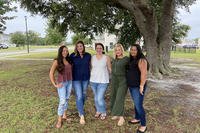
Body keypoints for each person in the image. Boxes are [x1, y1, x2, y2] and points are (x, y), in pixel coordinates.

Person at [126, 44, 149, 133]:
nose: (133, 51)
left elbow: (144, 74)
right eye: (131, 49)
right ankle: (137, 118)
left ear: (138, 50)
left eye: (135, 50)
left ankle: (143, 125)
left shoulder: (142, 60)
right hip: (132, 86)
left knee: (139, 105)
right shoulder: (133, 59)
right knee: (136, 103)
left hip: (138, 86)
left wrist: (141, 86)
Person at [49, 45, 72, 128]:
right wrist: (55, 84)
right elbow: (51, 73)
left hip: (69, 82)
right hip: (61, 83)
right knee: (62, 101)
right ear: (60, 52)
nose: (65, 52)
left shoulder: (68, 59)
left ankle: (64, 115)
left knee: (66, 99)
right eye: (63, 51)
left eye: (66, 50)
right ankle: (59, 120)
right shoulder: (57, 61)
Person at [70, 41, 91, 124]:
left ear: (83, 46)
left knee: (84, 94)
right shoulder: (72, 56)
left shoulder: (88, 55)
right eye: (78, 46)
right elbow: (66, 64)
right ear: (76, 47)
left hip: (86, 78)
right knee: (79, 96)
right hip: (76, 79)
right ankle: (81, 115)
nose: (79, 47)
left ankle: (80, 108)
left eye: (81, 46)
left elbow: (91, 65)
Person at [90, 43, 111, 120]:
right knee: (96, 98)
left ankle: (103, 112)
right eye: (97, 48)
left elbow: (109, 68)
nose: (99, 49)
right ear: (95, 49)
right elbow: (92, 68)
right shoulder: (92, 58)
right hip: (93, 81)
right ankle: (98, 111)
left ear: (102, 49)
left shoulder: (106, 57)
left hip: (103, 81)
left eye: (100, 48)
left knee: (99, 98)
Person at [110, 43, 129, 126]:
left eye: (119, 50)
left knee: (119, 98)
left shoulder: (126, 59)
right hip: (114, 80)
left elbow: (131, 69)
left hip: (123, 81)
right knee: (113, 96)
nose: (118, 51)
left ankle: (121, 117)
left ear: (122, 50)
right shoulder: (114, 59)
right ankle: (116, 114)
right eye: (116, 50)